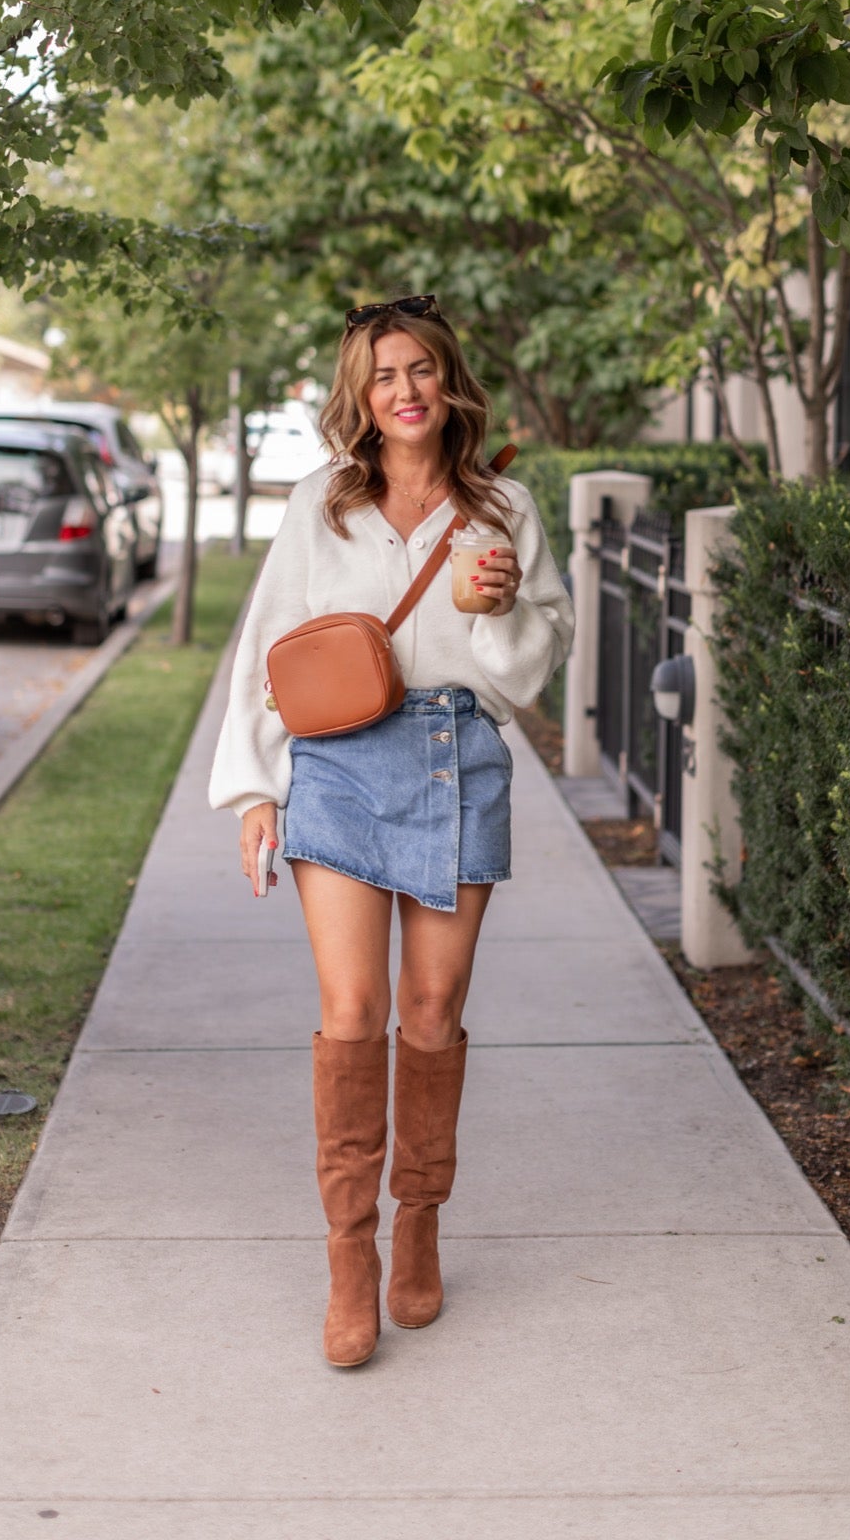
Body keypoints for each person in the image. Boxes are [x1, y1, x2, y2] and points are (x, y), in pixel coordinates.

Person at [208, 295, 574, 1368]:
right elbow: (270, 640)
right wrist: (256, 788)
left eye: (419, 369)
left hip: (457, 754)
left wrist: (493, 606)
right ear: (358, 399)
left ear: (446, 378)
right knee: (353, 1006)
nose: (404, 390)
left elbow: (526, 669)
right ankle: (348, 1252)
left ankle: (419, 1220)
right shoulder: (320, 501)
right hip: (338, 766)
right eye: (382, 376)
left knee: (430, 1007)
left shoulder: (501, 504)